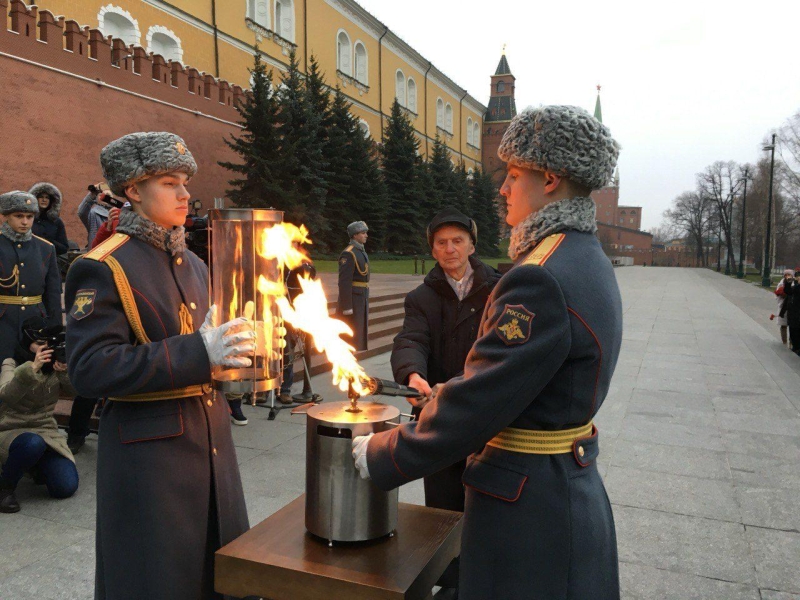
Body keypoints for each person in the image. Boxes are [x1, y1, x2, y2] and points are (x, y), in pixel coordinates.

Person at [352, 105, 623, 599]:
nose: (503, 188)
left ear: (551, 179)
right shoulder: (584, 256)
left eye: (514, 175)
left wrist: (382, 452)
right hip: (565, 485)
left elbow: (484, 396)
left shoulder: (539, 275)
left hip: (529, 511)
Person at [65, 132, 253, 600]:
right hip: (151, 466)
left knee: (219, 581)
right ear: (133, 190)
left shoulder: (192, 262)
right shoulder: (102, 266)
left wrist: (238, 357)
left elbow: (206, 349)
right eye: (170, 182)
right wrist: (200, 352)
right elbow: (90, 369)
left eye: (186, 181)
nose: (186, 193)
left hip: (211, 449)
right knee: (156, 583)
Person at [391, 206, 501, 598]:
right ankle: (449, 582)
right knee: (441, 506)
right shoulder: (422, 297)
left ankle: (482, 582)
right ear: (432, 249)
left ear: (472, 243)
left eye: (458, 240)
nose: (450, 248)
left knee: (487, 503)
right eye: (441, 242)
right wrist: (412, 374)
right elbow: (411, 339)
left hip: (488, 414)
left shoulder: (499, 288)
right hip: (438, 413)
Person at [0, 317, 79, 513]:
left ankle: (34, 466)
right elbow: (7, 396)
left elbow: (76, 393)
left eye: (48, 344)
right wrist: (32, 368)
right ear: (28, 344)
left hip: (45, 431)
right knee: (31, 444)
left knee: (65, 487)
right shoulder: (12, 363)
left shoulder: (54, 365)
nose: (45, 349)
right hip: (12, 428)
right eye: (39, 344)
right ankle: (5, 488)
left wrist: (64, 372)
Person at [0, 191, 62, 364]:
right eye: (18, 216)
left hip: (36, 323)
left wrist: (54, 329)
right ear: (6, 216)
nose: (25, 222)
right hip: (4, 323)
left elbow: (53, 293)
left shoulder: (45, 248)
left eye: (29, 216)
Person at [336, 221, 369, 351]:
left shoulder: (360, 251)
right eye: (363, 233)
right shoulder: (348, 253)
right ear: (355, 235)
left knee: (358, 331)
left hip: (361, 297)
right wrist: (347, 306)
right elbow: (344, 282)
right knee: (350, 332)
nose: (366, 235)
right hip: (353, 299)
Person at [28, 182, 69, 255]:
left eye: (47, 197)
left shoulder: (56, 221)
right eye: (41, 197)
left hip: (49, 260)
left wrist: (48, 242)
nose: (44, 200)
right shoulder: (27, 218)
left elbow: (64, 248)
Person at [77, 183, 118, 249]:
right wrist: (91, 195)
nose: (104, 197)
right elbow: (81, 212)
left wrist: (111, 201)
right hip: (96, 251)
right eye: (100, 195)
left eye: (107, 196)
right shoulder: (93, 214)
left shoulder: (117, 212)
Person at [774, 269, 793, 346]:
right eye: (786, 274)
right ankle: (784, 341)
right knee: (783, 325)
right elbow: (777, 293)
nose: (787, 276)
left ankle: (792, 342)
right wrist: (781, 294)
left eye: (789, 274)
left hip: (791, 307)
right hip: (783, 306)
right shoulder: (781, 283)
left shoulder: (794, 283)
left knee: (793, 326)